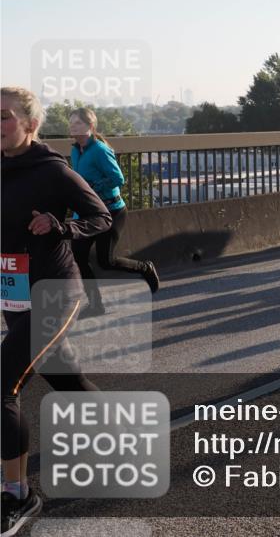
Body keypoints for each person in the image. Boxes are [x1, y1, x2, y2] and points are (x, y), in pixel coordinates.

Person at [2, 87, 113, 535]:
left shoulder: (52, 171)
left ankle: (17, 496)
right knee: (64, 377)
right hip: (14, 295)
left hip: (54, 292)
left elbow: (101, 216)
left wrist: (61, 225)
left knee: (3, 384)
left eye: (5, 116)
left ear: (30, 124)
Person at [67, 108, 159, 317]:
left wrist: (92, 187)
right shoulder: (75, 150)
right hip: (86, 214)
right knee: (78, 257)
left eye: (78, 123)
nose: (73, 127)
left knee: (105, 261)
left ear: (90, 127)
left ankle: (145, 268)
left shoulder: (99, 150)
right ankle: (96, 305)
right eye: (71, 123)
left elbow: (118, 179)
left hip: (111, 211)